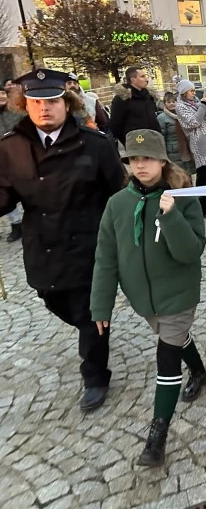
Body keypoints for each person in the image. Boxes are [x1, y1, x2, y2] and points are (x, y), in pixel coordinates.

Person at [0, 69, 125, 411]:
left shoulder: (94, 144)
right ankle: (94, 333)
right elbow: (4, 197)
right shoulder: (11, 147)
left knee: (90, 315)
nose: (44, 108)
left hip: (89, 248)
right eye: (36, 101)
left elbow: (119, 193)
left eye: (52, 101)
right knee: (57, 303)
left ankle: (95, 376)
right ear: (24, 104)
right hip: (43, 248)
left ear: (66, 103)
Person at [91, 129, 206, 466]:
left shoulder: (183, 197)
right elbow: (106, 257)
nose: (139, 165)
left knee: (166, 358)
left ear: (161, 160)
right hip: (144, 299)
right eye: (133, 159)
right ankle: (199, 372)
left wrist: (170, 215)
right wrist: (101, 304)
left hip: (179, 294)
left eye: (147, 159)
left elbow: (191, 252)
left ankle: (157, 437)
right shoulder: (117, 205)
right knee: (174, 338)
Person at [175, 80, 206, 219]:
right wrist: (203, 106)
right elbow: (193, 122)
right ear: (184, 92)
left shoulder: (195, 103)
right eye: (191, 91)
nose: (193, 93)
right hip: (200, 143)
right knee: (205, 176)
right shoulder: (180, 106)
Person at [109, 66, 161, 145]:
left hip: (154, 139)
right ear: (133, 79)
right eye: (142, 76)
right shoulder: (122, 98)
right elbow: (115, 124)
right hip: (136, 143)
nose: (146, 79)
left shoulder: (149, 96)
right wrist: (128, 141)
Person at [0, 84, 24, 242]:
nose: (1, 97)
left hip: (21, 157)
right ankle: (16, 224)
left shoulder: (18, 113)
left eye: (2, 93)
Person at [157, 91, 195, 175]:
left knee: (188, 174)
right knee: (176, 174)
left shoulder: (183, 114)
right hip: (172, 152)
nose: (171, 104)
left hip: (186, 148)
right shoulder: (162, 118)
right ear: (164, 104)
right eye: (168, 102)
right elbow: (161, 137)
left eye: (174, 101)